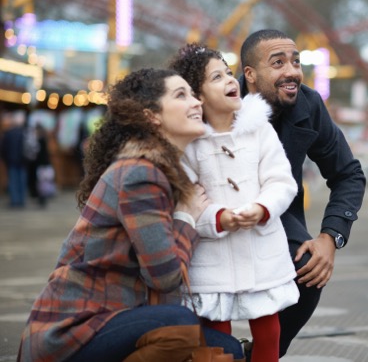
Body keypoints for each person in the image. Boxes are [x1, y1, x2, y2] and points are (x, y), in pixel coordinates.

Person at [17, 68, 244, 361]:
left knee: (229, 350)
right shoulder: (141, 173)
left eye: (193, 94)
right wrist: (187, 219)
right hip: (71, 332)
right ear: (152, 116)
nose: (196, 102)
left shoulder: (163, 171)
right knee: (177, 325)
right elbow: (164, 277)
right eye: (181, 95)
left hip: (116, 318)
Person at [238, 29, 367, 356]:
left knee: (308, 269)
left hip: (278, 215)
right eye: (278, 63)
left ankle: (259, 356)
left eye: (295, 62)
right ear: (250, 75)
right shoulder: (221, 101)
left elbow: (348, 173)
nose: (292, 71)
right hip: (217, 214)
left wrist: (330, 237)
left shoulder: (308, 103)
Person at [169, 44, 299, 362]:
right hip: (211, 258)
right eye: (217, 76)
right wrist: (217, 218)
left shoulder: (260, 130)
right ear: (197, 96)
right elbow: (183, 202)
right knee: (215, 338)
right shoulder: (189, 143)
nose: (230, 80)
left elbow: (281, 180)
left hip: (262, 250)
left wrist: (263, 208)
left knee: (270, 333)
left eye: (229, 72)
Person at [1, 111, 28, 208]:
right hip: (22, 161)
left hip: (12, 160)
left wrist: (6, 159)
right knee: (21, 181)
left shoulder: (8, 134)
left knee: (13, 181)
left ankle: (15, 200)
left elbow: (3, 148)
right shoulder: (25, 133)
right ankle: (21, 200)